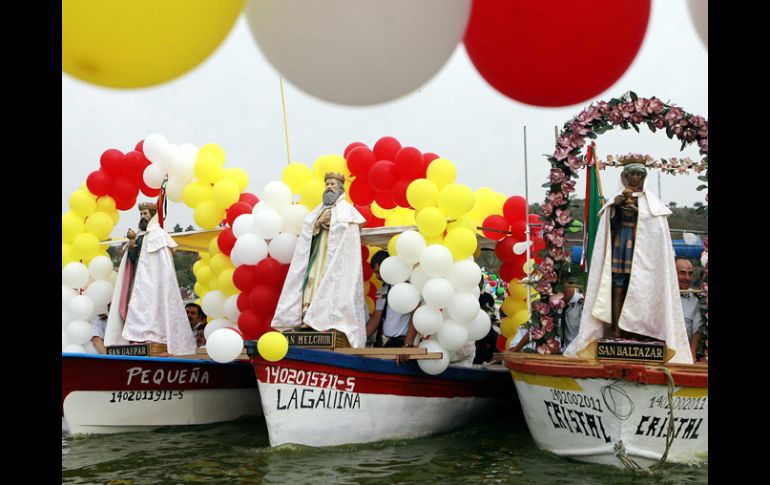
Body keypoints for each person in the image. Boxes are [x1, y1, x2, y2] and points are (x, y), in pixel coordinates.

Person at [564, 159, 692, 364]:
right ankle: (616, 327)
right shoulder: (615, 202)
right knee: (618, 286)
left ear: (643, 178)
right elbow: (607, 225)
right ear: (625, 176)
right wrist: (617, 207)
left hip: (644, 257)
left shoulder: (653, 205)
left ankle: (641, 329)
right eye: (631, 174)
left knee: (641, 289)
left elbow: (656, 234)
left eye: (639, 175)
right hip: (620, 246)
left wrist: (638, 213)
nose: (635, 178)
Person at [272, 172, 368, 347]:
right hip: (318, 254)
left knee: (330, 285)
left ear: (341, 188)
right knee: (311, 282)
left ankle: (325, 320)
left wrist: (334, 222)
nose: (329, 187)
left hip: (334, 260)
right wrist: (317, 222)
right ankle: (307, 317)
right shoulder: (317, 211)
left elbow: (350, 233)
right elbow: (308, 229)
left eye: (332, 184)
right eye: (327, 184)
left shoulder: (347, 211)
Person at [104, 201, 197, 356]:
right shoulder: (140, 236)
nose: (142, 216)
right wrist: (132, 242)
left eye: (145, 213)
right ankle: (137, 337)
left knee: (152, 307)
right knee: (137, 306)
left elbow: (162, 265)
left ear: (152, 215)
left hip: (154, 282)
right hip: (138, 280)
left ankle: (153, 336)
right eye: (141, 214)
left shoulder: (159, 235)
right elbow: (132, 258)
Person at [365, 251, 418, 349]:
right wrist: (360, 339)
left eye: (378, 271)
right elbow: (377, 317)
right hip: (387, 341)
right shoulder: (383, 288)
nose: (377, 277)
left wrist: (408, 344)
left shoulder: (407, 285)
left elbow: (415, 314)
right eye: (375, 273)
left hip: (403, 342)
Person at [676, 257, 704, 361]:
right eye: (682, 273)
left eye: (690, 273)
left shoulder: (697, 298)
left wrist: (691, 358)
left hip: (685, 356)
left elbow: (697, 331)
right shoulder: (662, 296)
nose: (687, 278)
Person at [561, 278, 584, 349]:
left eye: (567, 286)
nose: (562, 289)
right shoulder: (553, 303)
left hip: (578, 350)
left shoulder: (581, 304)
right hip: (561, 351)